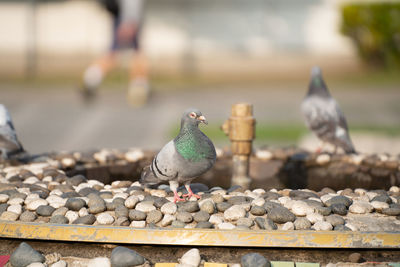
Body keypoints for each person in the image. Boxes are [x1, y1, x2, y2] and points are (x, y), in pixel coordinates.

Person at [81, 0, 149, 107]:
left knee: (129, 53)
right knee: (120, 54)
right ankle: (138, 86)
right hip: (127, 17)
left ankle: (138, 85)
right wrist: (130, 21)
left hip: (125, 16)